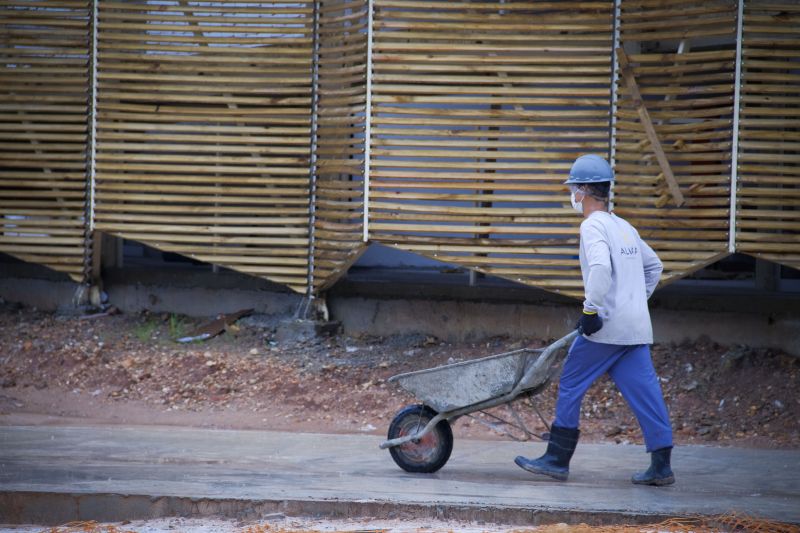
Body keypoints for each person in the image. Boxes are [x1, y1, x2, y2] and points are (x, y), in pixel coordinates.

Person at [514, 154, 675, 486]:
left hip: (605, 328)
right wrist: (633, 301)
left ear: (584, 190)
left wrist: (591, 310)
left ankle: (557, 459)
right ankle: (662, 466)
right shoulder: (623, 226)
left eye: (573, 188)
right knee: (646, 393)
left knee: (571, 382)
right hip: (635, 327)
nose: (572, 194)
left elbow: (600, 269)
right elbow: (654, 266)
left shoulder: (592, 226)